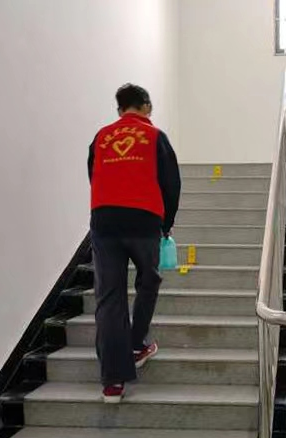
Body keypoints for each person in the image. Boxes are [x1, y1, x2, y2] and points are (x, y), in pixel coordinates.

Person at [88, 83, 181, 403]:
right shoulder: (155, 136)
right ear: (146, 106)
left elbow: (93, 176)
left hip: (104, 223)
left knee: (109, 297)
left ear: (119, 110)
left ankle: (112, 382)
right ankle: (136, 344)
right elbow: (171, 184)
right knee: (149, 281)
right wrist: (166, 225)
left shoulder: (101, 137)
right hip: (143, 221)